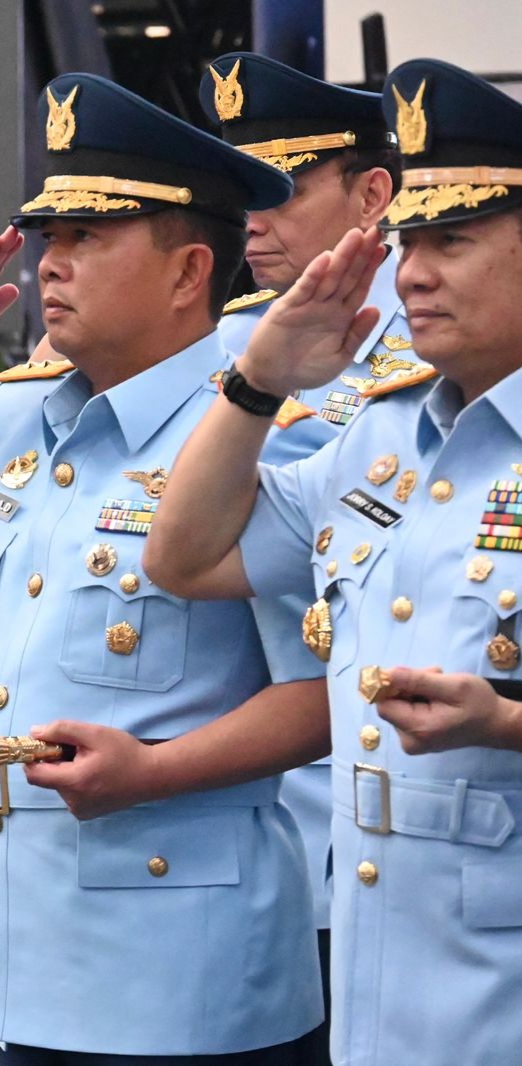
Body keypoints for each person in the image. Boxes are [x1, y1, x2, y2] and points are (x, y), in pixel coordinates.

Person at [0, 73, 325, 1063]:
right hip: (32, 953)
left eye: (89, 236)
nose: (51, 260)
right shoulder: (17, 412)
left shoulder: (261, 435)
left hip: (188, 968)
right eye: (49, 234)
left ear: (188, 272)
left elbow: (324, 691)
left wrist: (157, 771)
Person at [143, 58, 522, 1064]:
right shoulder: (381, 438)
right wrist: (259, 381)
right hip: (382, 980)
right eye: (409, 242)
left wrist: (505, 723)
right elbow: (184, 557)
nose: (414, 275)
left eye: (453, 241)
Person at [199, 55, 412, 1062]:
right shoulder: (218, 348)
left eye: (282, 188)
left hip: (393, 815)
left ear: (373, 195)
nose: (253, 218)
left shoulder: (451, 355)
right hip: (227, 829)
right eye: (244, 191)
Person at [204, 52, 423, 427]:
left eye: (281, 196)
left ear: (371, 197)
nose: (251, 224)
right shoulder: (224, 339)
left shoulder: (441, 341)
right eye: (246, 201)